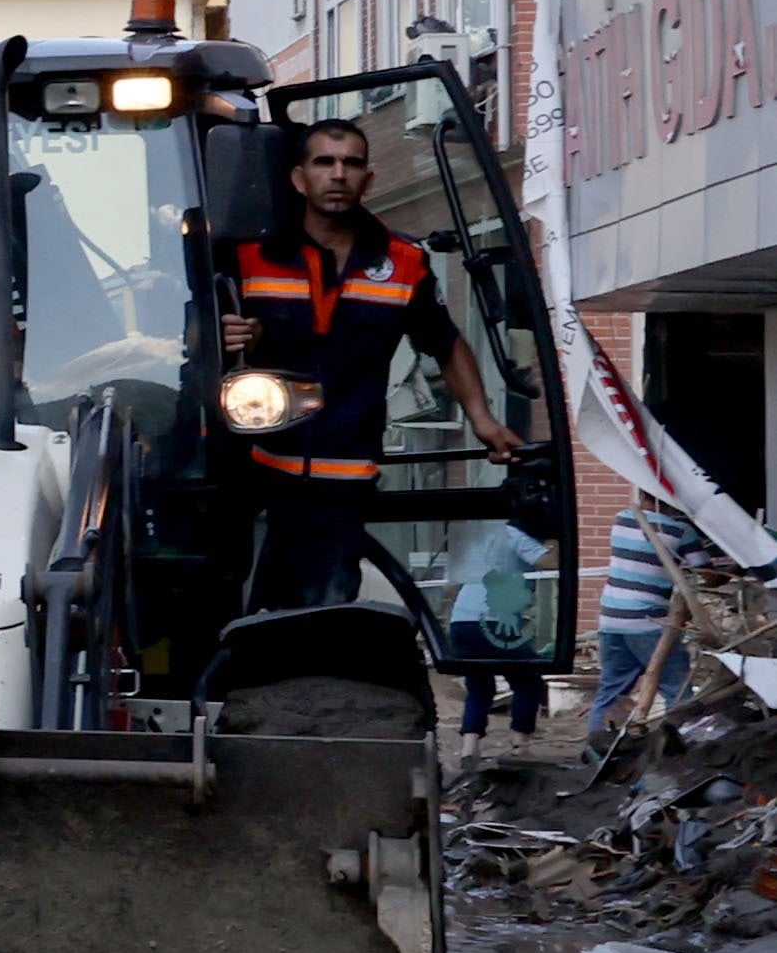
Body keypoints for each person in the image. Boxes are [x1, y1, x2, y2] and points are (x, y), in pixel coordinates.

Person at [217, 116, 524, 613]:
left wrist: (483, 419)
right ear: (299, 178)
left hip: (341, 477)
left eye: (351, 163)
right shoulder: (247, 254)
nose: (337, 174)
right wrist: (229, 338)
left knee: (319, 617)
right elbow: (196, 346)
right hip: (251, 473)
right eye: (324, 163)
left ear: (368, 179)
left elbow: (445, 343)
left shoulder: (404, 262)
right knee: (232, 609)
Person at [442, 516, 548, 739]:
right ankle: (520, 744)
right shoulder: (513, 535)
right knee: (528, 683)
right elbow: (551, 562)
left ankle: (469, 746)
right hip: (495, 622)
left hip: (461, 623)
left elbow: (450, 588)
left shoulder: (474, 541)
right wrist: (556, 543)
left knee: (479, 687)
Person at [600, 496, 696, 739]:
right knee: (677, 687)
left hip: (610, 617)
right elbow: (710, 573)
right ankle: (685, 743)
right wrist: (741, 564)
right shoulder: (681, 531)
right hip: (648, 622)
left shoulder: (622, 519)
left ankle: (595, 746)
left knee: (610, 689)